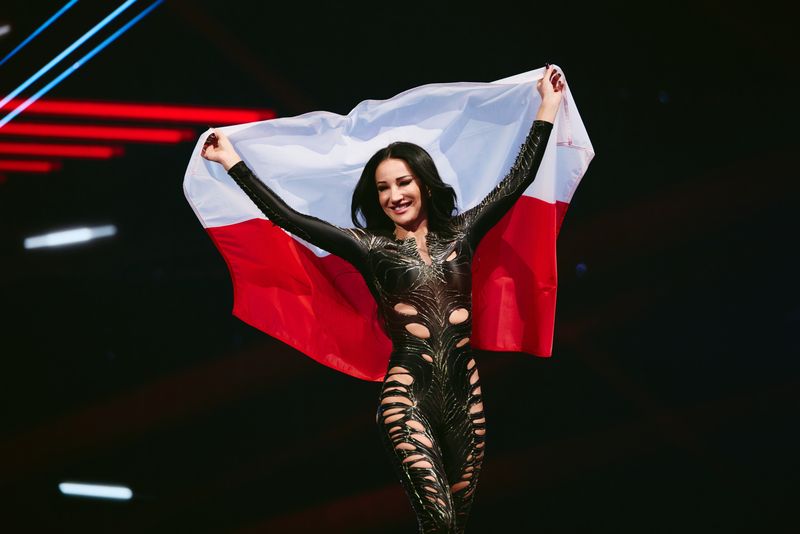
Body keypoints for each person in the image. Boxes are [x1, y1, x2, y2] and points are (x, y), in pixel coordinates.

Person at [201, 65, 565, 533]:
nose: (394, 195)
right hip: (407, 397)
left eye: (403, 182)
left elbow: (518, 178)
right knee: (439, 526)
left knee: (456, 528)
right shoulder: (370, 248)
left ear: (424, 185)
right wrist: (233, 163)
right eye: (383, 187)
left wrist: (547, 107)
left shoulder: (463, 231)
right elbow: (288, 217)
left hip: (466, 399)